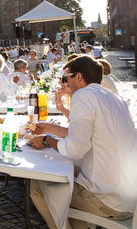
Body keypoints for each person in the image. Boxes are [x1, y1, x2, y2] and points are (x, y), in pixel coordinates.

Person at [28, 56, 137, 229]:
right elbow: (88, 135)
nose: (64, 83)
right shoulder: (115, 99)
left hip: (107, 199)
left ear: (78, 77)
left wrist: (47, 140)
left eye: (66, 78)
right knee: (66, 173)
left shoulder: (83, 95)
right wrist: (49, 128)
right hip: (129, 197)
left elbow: (75, 149)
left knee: (37, 185)